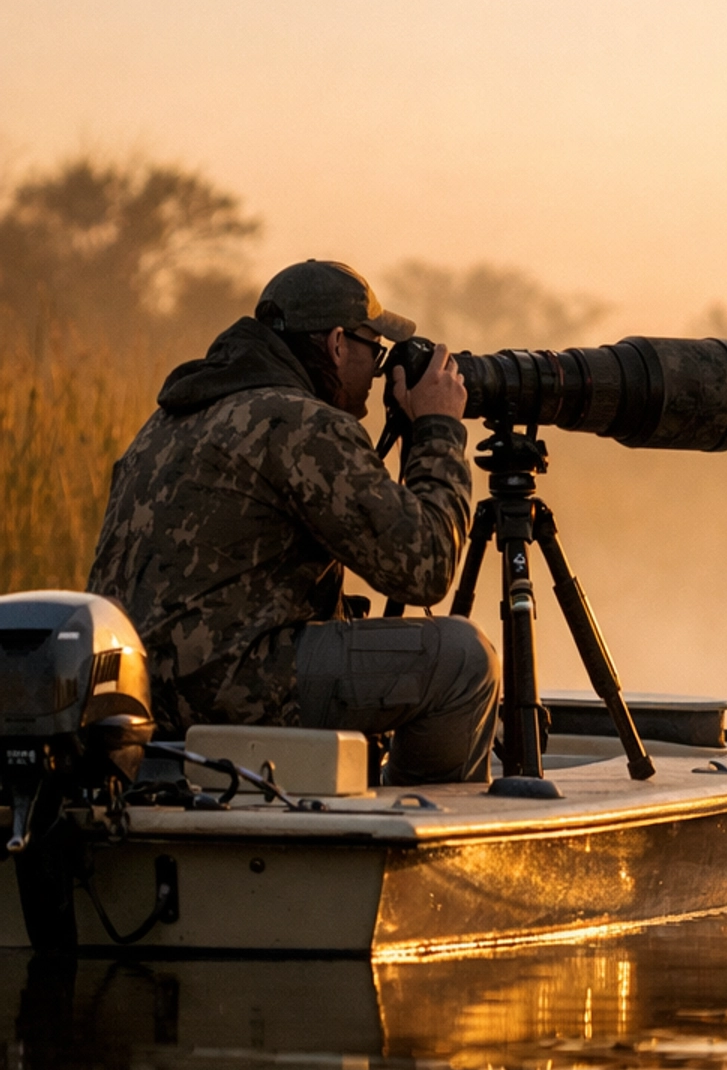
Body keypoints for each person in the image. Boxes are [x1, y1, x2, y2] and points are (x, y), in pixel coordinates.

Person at [88, 258, 500, 783]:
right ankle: (414, 840)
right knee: (464, 661)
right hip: (227, 693)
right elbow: (425, 568)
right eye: (374, 351)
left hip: (135, 700)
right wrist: (439, 428)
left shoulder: (172, 418)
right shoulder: (300, 423)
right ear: (335, 344)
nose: (378, 373)